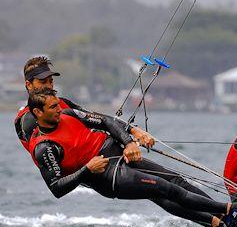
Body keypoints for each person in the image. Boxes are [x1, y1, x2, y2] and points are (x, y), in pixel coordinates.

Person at [27, 88, 237, 227]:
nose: (59, 108)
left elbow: (106, 121)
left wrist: (128, 142)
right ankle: (229, 210)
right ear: (38, 112)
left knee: (175, 181)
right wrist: (87, 169)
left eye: (57, 105)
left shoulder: (68, 113)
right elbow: (56, 188)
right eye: (53, 107)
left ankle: (222, 224)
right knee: (166, 189)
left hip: (119, 154)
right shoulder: (44, 147)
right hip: (109, 176)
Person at [14, 56, 153, 154]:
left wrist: (134, 131)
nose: (49, 86)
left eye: (51, 81)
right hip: (87, 167)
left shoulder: (62, 102)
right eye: (43, 82)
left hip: (101, 152)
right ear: (29, 85)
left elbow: (98, 119)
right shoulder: (29, 118)